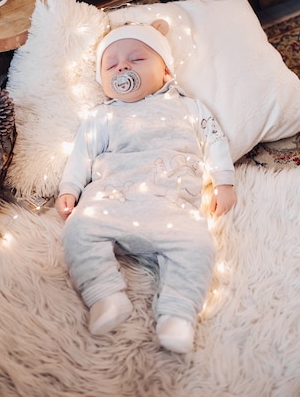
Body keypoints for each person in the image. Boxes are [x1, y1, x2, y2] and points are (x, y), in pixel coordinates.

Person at [56, 20, 236, 353]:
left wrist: (224, 180)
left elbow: (214, 139)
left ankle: (178, 315)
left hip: (172, 207)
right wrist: (70, 189)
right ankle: (105, 296)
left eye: (136, 59)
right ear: (105, 82)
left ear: (166, 71)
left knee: (200, 245)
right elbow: (81, 155)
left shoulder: (187, 107)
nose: (122, 66)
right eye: (111, 65)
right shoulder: (103, 116)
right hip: (112, 202)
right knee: (77, 229)